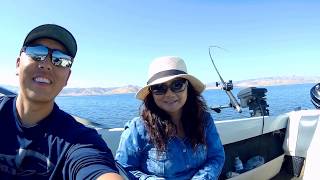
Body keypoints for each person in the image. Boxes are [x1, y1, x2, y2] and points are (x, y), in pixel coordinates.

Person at [0, 24, 123, 179]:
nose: (47, 64)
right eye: (37, 52)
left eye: (61, 60)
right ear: (18, 64)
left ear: (67, 78)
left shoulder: (79, 140)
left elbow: (94, 168)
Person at [116, 56, 225, 179]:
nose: (169, 94)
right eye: (159, 88)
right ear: (151, 93)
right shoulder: (137, 129)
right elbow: (124, 168)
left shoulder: (204, 120)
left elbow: (216, 156)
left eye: (177, 85)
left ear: (187, 87)